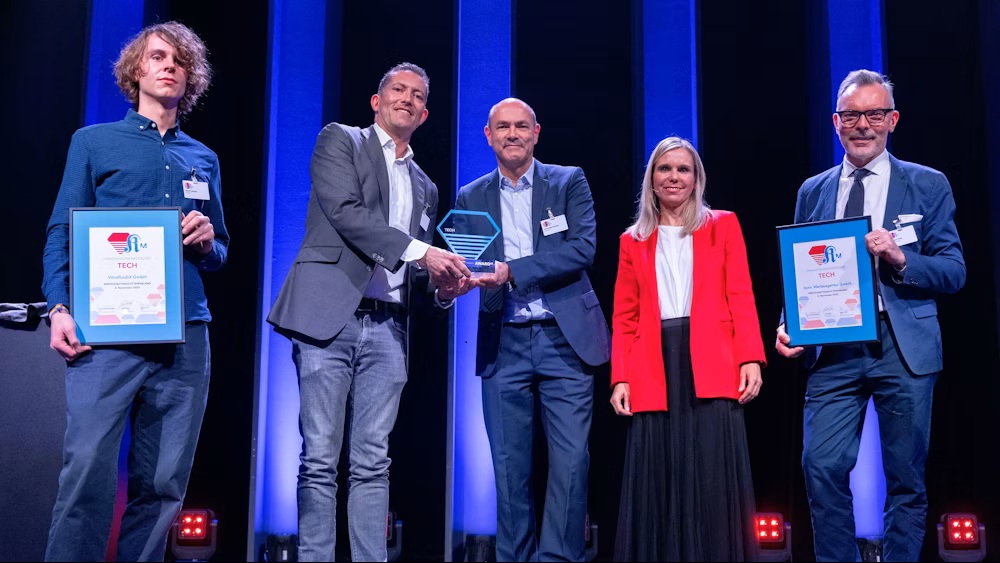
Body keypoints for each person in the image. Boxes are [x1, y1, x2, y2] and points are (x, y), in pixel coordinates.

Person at [266, 62, 473, 562]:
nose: (407, 98)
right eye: (397, 89)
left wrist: (444, 286)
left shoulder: (425, 185)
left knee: (373, 461)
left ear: (424, 114)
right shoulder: (341, 140)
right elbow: (345, 212)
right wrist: (425, 253)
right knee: (318, 458)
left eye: (418, 94)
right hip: (327, 317)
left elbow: (413, 264)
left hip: (389, 326)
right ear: (376, 102)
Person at [41, 21, 228, 562]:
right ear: (136, 70)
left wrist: (207, 239)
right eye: (159, 57)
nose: (171, 66)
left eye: (181, 61)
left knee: (165, 483)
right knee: (87, 472)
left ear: (190, 78)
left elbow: (221, 253)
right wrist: (58, 306)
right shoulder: (94, 142)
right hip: (107, 332)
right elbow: (62, 233)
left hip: (186, 334)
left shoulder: (204, 158)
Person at [775, 69, 966, 562]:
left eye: (875, 114)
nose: (864, 125)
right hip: (835, 347)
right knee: (820, 467)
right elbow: (803, 268)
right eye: (853, 115)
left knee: (905, 476)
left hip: (904, 348)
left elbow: (953, 271)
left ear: (893, 120)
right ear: (835, 122)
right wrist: (788, 322)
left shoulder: (927, 184)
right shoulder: (812, 190)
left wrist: (903, 259)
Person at [446, 97, 610, 562]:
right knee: (507, 466)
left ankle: (559, 559)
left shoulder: (567, 181)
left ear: (536, 132)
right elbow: (467, 264)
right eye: (503, 127)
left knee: (572, 463)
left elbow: (582, 249)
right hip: (505, 342)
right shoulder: (469, 196)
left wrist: (510, 271)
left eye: (521, 126)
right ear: (488, 135)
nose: (513, 134)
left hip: (565, 339)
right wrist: (448, 283)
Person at [609, 136, 765, 562]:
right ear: (652, 180)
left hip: (712, 362)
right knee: (658, 474)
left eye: (683, 169)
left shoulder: (723, 224)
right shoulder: (632, 240)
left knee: (711, 472)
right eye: (665, 169)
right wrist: (620, 376)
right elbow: (624, 316)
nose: (674, 177)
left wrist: (750, 355)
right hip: (653, 366)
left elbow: (741, 293)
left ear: (696, 179)